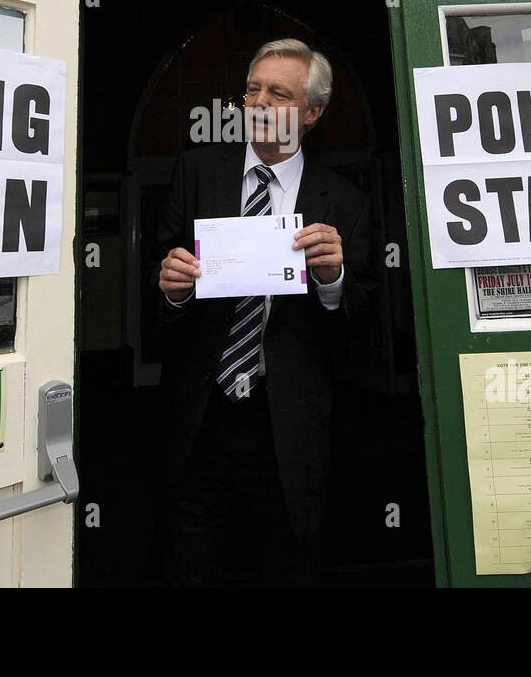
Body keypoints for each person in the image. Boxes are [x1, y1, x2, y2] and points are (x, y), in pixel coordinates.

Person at [155, 38, 375, 586]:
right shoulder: (196, 171)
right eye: (252, 90)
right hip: (202, 414)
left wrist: (332, 281)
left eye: (279, 93)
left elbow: (364, 323)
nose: (259, 102)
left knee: (290, 559)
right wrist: (172, 287)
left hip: (288, 421)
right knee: (192, 558)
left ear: (312, 113)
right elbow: (153, 291)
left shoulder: (344, 202)